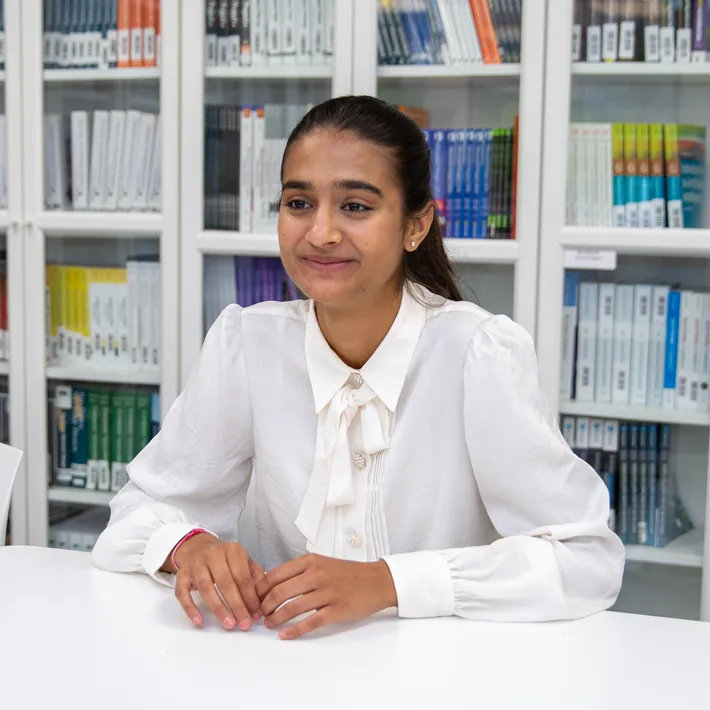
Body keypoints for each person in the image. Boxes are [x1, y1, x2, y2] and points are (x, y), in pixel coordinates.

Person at [93, 95, 625, 640]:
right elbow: (138, 510)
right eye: (299, 203)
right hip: (281, 666)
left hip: (442, 676)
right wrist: (189, 546)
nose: (320, 232)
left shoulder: (477, 353)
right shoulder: (246, 344)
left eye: (356, 207)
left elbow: (586, 559)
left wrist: (388, 583)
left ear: (415, 225)